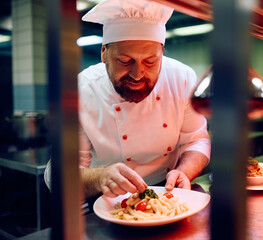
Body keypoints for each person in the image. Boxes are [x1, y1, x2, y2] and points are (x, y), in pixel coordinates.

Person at [44, 0, 211, 200]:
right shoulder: (80, 91)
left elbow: (196, 140)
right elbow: (55, 175)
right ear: (104, 53)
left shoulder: (182, 78)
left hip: (168, 193)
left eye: (151, 61)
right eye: (125, 61)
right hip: (106, 198)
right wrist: (99, 178)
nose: (138, 74)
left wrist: (184, 171)